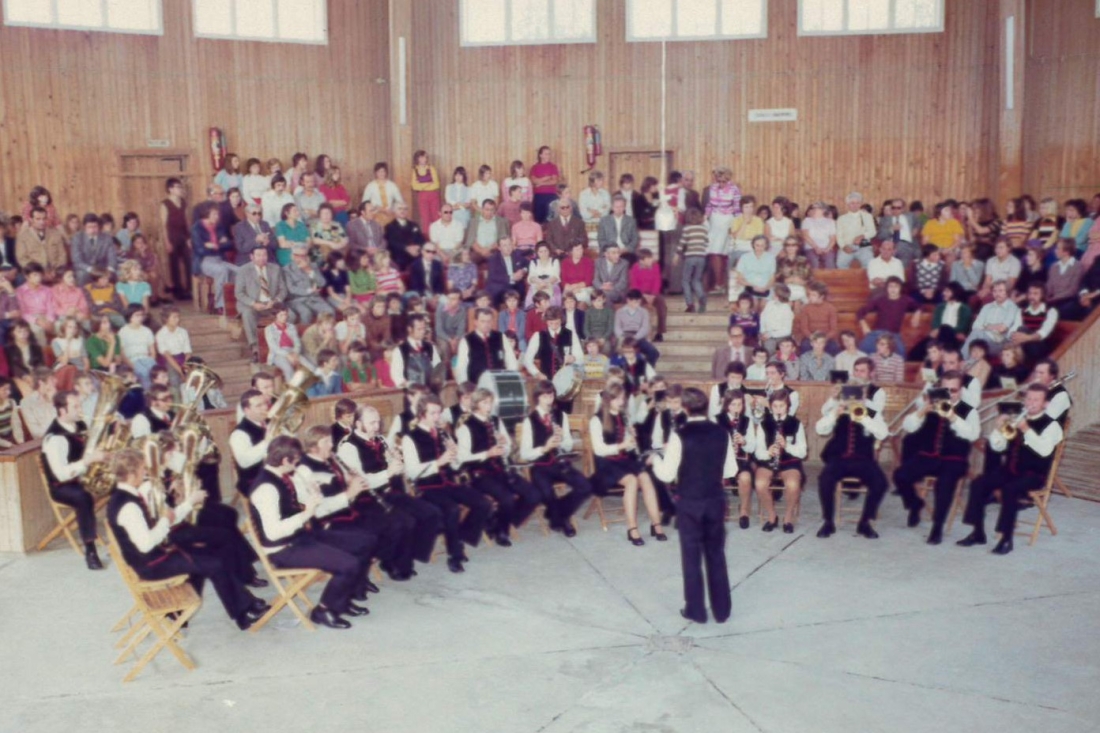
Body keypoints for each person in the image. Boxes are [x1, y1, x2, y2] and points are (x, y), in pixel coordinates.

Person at [247, 436, 373, 629]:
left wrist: (310, 500)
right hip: (283, 550)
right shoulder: (266, 488)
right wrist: (307, 512)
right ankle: (324, 610)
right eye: (295, 461)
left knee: (364, 541)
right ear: (285, 461)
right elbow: (273, 533)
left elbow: (289, 509)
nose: (298, 464)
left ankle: (343, 599)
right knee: (349, 564)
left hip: (300, 538)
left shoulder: (279, 476)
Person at [649, 387, 734, 624]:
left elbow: (666, 475)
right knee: (716, 554)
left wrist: (656, 459)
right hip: (715, 500)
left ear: (685, 408)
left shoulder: (680, 435)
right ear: (706, 407)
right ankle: (722, 610)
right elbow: (731, 470)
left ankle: (695, 610)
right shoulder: (721, 433)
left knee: (691, 556)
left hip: (690, 503)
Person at [957, 384, 1063, 556]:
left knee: (1010, 489)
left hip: (1034, 475)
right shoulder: (1016, 419)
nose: (1031, 403)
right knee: (978, 483)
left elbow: (1045, 450)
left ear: (1046, 404)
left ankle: (1006, 538)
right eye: (1028, 398)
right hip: (1010, 470)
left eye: (1036, 400)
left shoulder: (1052, 426)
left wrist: (1026, 429)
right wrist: (998, 430)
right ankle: (978, 533)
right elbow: (997, 448)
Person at [401, 396, 491, 573]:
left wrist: (456, 455)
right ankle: (454, 555)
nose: (437, 417)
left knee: (483, 503)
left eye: (439, 413)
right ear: (421, 414)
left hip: (448, 482)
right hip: (427, 487)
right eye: (433, 413)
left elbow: (455, 466)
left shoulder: (442, 433)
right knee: (452, 509)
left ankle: (459, 537)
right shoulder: (410, 438)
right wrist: (438, 463)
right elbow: (412, 473)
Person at [893, 371, 980, 544]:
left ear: (961, 390)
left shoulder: (968, 411)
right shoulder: (930, 406)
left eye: (953, 390)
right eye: (945, 390)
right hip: (929, 456)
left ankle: (937, 527)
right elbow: (908, 427)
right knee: (900, 475)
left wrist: (954, 417)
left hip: (954, 460)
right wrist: (922, 411)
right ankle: (915, 504)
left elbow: (973, 435)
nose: (949, 395)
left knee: (944, 485)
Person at [456, 389, 542, 546]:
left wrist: (504, 444)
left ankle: (501, 522)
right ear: (476, 404)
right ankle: (502, 531)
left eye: (490, 402)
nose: (489, 406)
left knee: (534, 494)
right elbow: (462, 457)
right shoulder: (466, 427)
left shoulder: (495, 421)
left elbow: (508, 448)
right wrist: (487, 454)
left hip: (501, 470)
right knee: (507, 498)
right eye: (485, 403)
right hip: (479, 474)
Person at [590, 383, 665, 546]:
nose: (621, 402)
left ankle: (656, 524)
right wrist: (621, 446)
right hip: (605, 463)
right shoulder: (596, 420)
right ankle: (632, 528)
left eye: (622, 398)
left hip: (623, 460)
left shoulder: (623, 417)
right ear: (608, 399)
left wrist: (631, 440)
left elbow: (628, 447)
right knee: (631, 480)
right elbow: (599, 449)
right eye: (617, 399)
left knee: (645, 477)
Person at [41, 390, 106, 568]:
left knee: (121, 482)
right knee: (83, 498)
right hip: (62, 487)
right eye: (75, 406)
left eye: (80, 405)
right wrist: (88, 461)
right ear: (62, 411)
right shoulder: (54, 439)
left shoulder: (80, 425)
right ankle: (90, 551)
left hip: (82, 478)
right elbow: (60, 474)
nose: (80, 409)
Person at [814, 385, 889, 539]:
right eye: (849, 398)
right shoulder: (837, 410)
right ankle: (828, 521)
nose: (852, 402)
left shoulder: (872, 413)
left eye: (856, 398)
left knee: (880, 483)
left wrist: (864, 418)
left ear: (863, 398)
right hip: (839, 459)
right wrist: (834, 414)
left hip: (864, 460)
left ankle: (865, 522)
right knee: (824, 480)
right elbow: (820, 429)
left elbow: (882, 433)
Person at [520, 381, 593, 536]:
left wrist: (562, 439)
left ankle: (557, 514)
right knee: (546, 492)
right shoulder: (529, 420)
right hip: (539, 466)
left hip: (559, 463)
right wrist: (544, 448)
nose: (549, 398)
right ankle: (562, 519)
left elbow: (568, 446)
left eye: (551, 394)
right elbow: (525, 454)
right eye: (545, 395)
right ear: (537, 397)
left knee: (585, 486)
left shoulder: (561, 416)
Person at [752, 389, 806, 533]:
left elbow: (802, 451)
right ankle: (772, 516)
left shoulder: (796, 423)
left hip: (790, 462)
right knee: (760, 483)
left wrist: (787, 446)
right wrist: (768, 452)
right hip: (768, 462)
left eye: (781, 406)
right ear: (770, 406)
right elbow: (758, 452)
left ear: (787, 406)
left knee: (793, 484)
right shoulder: (764, 423)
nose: (778, 410)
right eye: (775, 406)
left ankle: (788, 518)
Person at [856, 276, 919, 357]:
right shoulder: (880, 299)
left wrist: (917, 313)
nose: (893, 289)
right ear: (887, 288)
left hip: (893, 335)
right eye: (890, 286)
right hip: (878, 334)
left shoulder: (905, 300)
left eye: (896, 286)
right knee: (863, 351)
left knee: (901, 354)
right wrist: (864, 325)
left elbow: (918, 306)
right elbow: (860, 312)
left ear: (900, 288)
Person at [456, 307, 518, 384]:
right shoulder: (466, 340)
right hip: (476, 385)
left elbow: (511, 361)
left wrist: (511, 380)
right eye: (483, 321)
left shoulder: (500, 337)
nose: (486, 324)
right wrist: (465, 387)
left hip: (500, 383)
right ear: (476, 322)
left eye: (489, 321)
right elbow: (461, 367)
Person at [963, 280, 1021, 358]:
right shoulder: (986, 307)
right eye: (994, 291)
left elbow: (1002, 328)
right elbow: (975, 326)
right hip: (982, 339)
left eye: (1000, 291)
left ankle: (961, 359)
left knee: (976, 335)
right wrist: (993, 327)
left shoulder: (1012, 308)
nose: (997, 294)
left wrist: (986, 326)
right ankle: (966, 362)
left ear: (1007, 292)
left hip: (999, 343)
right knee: (976, 335)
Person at [524, 306, 582, 382]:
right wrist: (537, 373)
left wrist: (574, 359)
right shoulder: (537, 336)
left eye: (557, 323)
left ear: (561, 320)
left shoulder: (571, 334)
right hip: (546, 382)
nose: (554, 326)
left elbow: (580, 358)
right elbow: (527, 360)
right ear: (546, 321)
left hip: (566, 380)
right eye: (551, 323)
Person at [390, 314, 442, 389]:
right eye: (419, 329)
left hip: (430, 391)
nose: (423, 332)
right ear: (410, 329)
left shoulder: (430, 347)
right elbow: (397, 376)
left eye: (424, 329)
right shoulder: (399, 351)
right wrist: (411, 386)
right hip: (411, 393)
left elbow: (438, 368)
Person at [16, 205, 66, 278]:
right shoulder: (23, 236)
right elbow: (22, 259)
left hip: (56, 272)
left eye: (44, 218)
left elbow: (62, 255)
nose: (42, 222)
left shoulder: (55, 233)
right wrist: (38, 272)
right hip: (34, 273)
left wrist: (55, 270)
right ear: (31, 219)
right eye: (38, 219)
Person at [675, 208, 709, 312]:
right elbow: (707, 242)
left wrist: (677, 254)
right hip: (701, 257)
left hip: (690, 257)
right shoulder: (703, 229)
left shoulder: (687, 229)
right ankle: (701, 296)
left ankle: (690, 304)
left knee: (686, 280)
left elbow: (682, 243)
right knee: (696, 280)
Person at [836, 192, 878, 269]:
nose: (855, 205)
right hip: (847, 246)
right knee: (840, 264)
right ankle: (847, 281)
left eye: (857, 203)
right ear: (848, 204)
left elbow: (873, 232)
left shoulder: (867, 216)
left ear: (860, 204)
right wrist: (843, 247)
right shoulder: (841, 219)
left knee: (870, 264)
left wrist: (862, 236)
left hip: (864, 246)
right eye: (852, 203)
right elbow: (839, 236)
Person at [877, 198, 920, 266]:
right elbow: (880, 236)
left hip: (906, 244)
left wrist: (916, 229)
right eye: (893, 208)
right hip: (890, 245)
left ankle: (899, 274)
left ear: (903, 208)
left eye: (898, 208)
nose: (895, 210)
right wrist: (891, 229)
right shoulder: (885, 219)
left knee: (905, 254)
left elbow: (918, 223)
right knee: (886, 257)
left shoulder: (910, 216)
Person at [384, 203, 425, 271]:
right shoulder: (390, 227)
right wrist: (406, 248)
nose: (402, 211)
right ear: (395, 211)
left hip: (416, 253)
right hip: (400, 255)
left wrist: (418, 247)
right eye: (400, 209)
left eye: (405, 209)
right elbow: (392, 243)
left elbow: (421, 239)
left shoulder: (414, 225)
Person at [361, 162, 405, 227]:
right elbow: (364, 203)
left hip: (390, 213)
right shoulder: (370, 186)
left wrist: (392, 209)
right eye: (379, 171)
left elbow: (400, 201)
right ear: (375, 173)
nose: (381, 173)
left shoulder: (392, 185)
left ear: (386, 172)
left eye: (383, 171)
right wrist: (378, 208)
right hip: (375, 214)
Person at [597, 195, 639, 260]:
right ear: (612, 207)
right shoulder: (604, 221)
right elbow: (601, 239)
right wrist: (611, 250)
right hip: (609, 252)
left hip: (626, 252)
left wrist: (626, 249)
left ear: (624, 207)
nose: (619, 209)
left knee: (631, 260)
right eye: (616, 207)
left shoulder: (631, 221)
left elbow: (635, 239)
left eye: (621, 206)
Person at [530, 146, 561, 223]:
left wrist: (540, 183)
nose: (548, 156)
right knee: (538, 219)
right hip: (538, 196)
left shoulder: (553, 166)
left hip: (551, 195)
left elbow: (554, 181)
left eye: (549, 154)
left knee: (551, 219)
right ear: (540, 155)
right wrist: (546, 178)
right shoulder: (534, 167)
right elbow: (534, 181)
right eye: (546, 154)